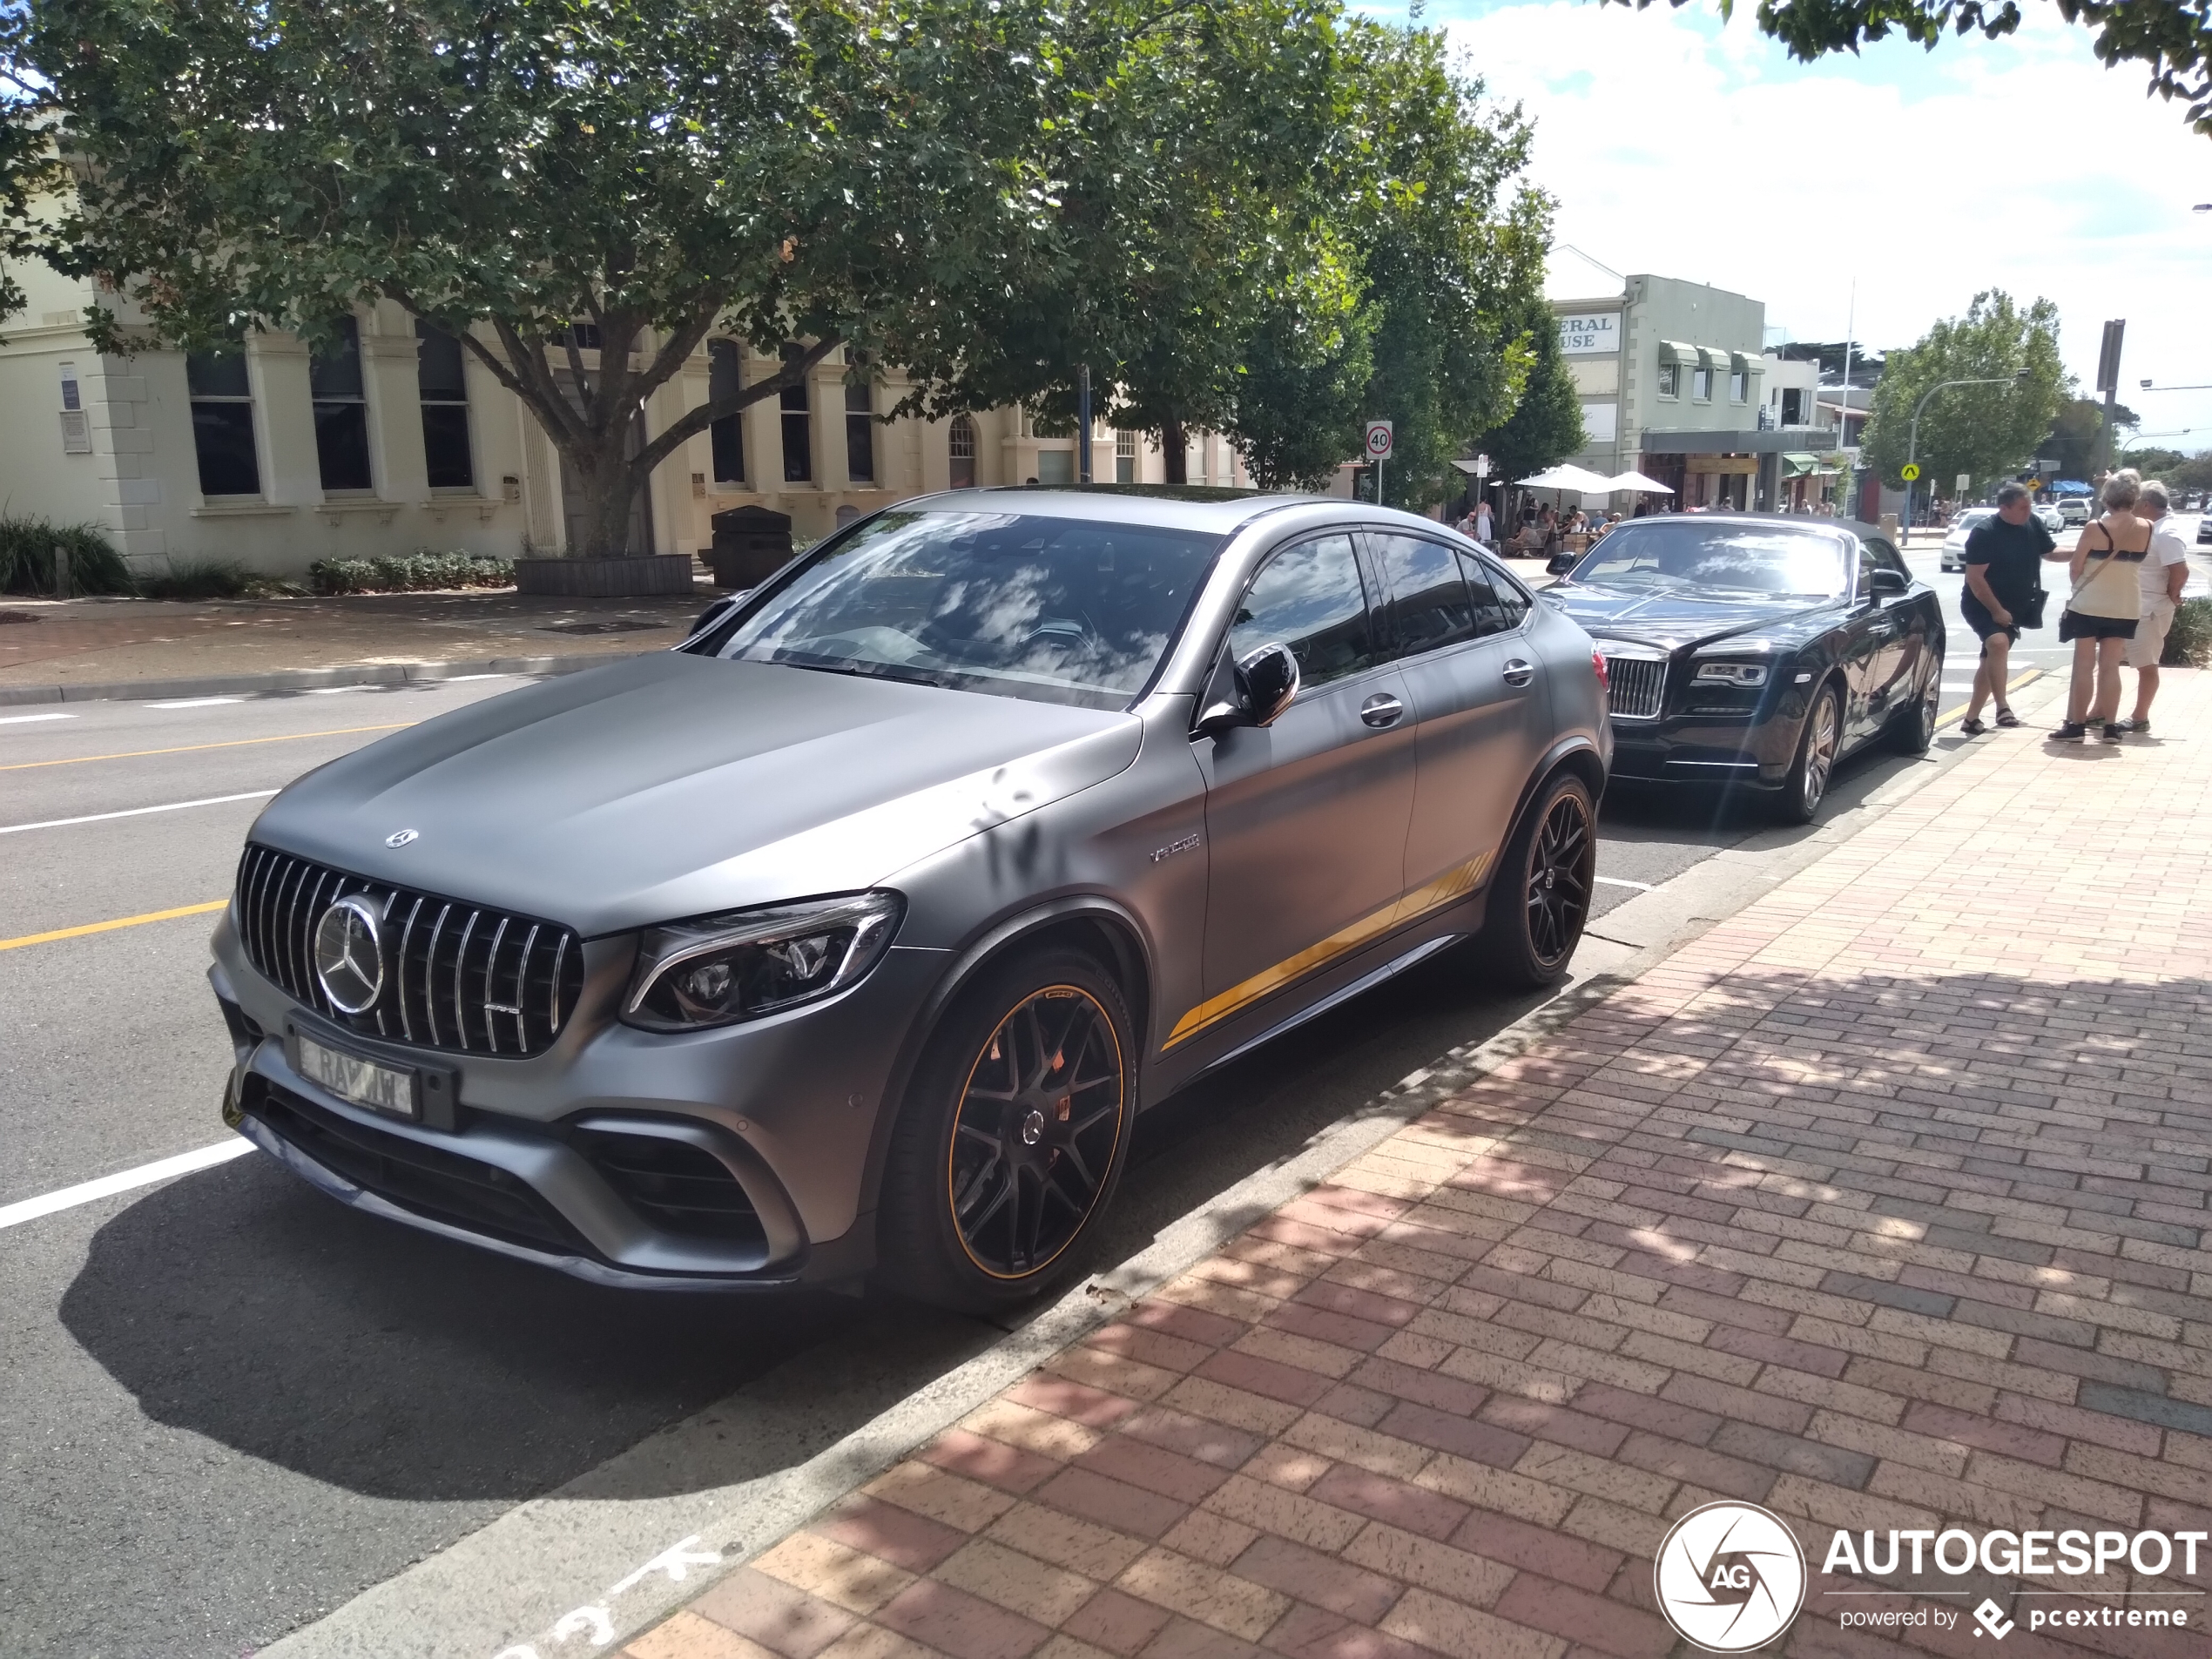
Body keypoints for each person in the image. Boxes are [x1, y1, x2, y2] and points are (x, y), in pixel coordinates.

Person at [2056, 470, 2153, 741]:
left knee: (2084, 666)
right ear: (2135, 498)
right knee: (2110, 666)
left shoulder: (2094, 527)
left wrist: (2079, 586)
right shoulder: (2146, 527)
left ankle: (2076, 725)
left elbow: (2076, 567)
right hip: (2125, 605)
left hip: (2089, 604)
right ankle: (2110, 727)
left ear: (2107, 497)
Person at [1959, 482, 2056, 734]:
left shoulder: (2032, 523)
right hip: (1982, 604)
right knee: (1998, 644)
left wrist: (2085, 552)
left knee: (1990, 659)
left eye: (2029, 507)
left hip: (2016, 606)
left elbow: (2051, 552)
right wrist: (1996, 611)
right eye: (2023, 508)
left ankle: (1971, 719)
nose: (2028, 512)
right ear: (2004, 508)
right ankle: (2003, 707)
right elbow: (1975, 579)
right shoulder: (1985, 532)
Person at [2121, 479, 2190, 734]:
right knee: (2108, 658)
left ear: (2146, 505)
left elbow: (2180, 571)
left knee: (2146, 664)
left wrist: (2172, 594)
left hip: (2150, 610)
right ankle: (2098, 712)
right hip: (2133, 607)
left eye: (2135, 502)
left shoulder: (2166, 533)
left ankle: (2140, 717)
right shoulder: (2152, 528)